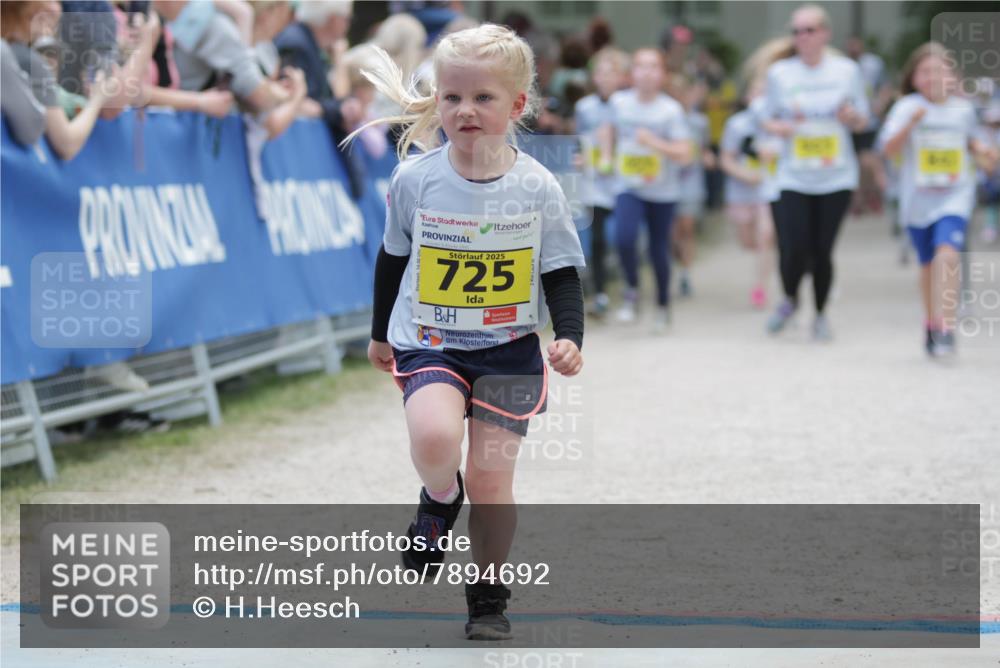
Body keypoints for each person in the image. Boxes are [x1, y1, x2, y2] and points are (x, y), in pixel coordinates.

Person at [348, 24, 586, 640]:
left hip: (508, 352)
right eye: (451, 97)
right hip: (431, 340)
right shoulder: (416, 180)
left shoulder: (537, 185)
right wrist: (380, 334)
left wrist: (569, 337)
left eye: (483, 98)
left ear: (516, 105)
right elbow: (392, 258)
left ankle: (487, 593)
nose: (464, 111)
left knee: (491, 480)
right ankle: (437, 496)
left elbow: (560, 271)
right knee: (433, 437)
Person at [756, 4, 870, 341]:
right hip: (793, 175)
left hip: (836, 175)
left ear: (825, 33)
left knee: (822, 249)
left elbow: (863, 119)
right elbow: (765, 118)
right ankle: (790, 297)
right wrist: (782, 128)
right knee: (794, 246)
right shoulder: (781, 74)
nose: (801, 37)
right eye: (796, 31)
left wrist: (851, 117)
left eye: (808, 30)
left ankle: (820, 314)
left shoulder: (846, 71)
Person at [878, 42, 999, 358]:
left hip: (955, 196)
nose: (933, 77)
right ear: (915, 78)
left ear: (952, 75)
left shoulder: (962, 109)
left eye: (940, 70)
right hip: (918, 200)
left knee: (948, 254)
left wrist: (984, 151)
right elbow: (888, 150)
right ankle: (930, 322)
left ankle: (946, 326)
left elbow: (973, 140)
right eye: (926, 71)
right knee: (928, 264)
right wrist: (911, 124)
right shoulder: (907, 107)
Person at [599, 48, 691, 330]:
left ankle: (663, 305)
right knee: (623, 238)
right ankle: (632, 291)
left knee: (657, 249)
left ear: (662, 75)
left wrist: (654, 142)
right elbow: (607, 129)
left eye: (653, 67)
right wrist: (605, 154)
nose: (647, 72)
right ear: (632, 74)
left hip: (663, 191)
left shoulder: (670, 110)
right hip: (629, 185)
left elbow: (684, 153)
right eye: (640, 66)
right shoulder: (619, 102)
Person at [1, 1, 112, 161]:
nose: (56, 9)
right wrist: (98, 98)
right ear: (32, 13)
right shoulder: (30, 61)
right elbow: (65, 143)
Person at [573, 47, 628, 316]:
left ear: (621, 77)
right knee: (597, 238)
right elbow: (579, 140)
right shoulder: (585, 107)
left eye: (611, 73)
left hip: (624, 177)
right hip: (595, 180)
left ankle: (631, 285)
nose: (606, 79)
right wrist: (580, 158)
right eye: (601, 73)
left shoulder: (629, 105)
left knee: (624, 235)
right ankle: (601, 293)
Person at [720, 77, 777, 309]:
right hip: (741, 191)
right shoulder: (736, 125)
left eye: (766, 93)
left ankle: (760, 287)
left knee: (766, 235)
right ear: (747, 97)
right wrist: (745, 174)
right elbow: (726, 158)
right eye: (756, 92)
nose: (760, 98)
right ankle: (765, 259)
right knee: (748, 242)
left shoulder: (778, 124)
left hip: (769, 190)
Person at [670, 75, 713, 298]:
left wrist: (706, 156)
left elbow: (704, 147)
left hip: (691, 182)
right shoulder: (665, 118)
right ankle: (678, 264)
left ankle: (686, 273)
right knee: (672, 232)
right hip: (667, 181)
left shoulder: (699, 122)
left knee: (687, 227)